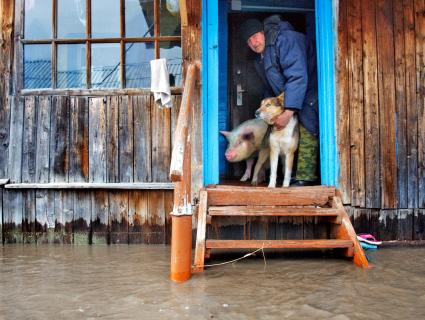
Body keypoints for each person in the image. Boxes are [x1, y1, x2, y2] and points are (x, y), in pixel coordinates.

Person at [240, 15, 319, 187]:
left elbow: (297, 76)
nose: (253, 43)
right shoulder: (263, 55)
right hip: (290, 95)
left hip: (308, 92)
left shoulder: (285, 40)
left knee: (308, 128)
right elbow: (271, 87)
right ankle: (291, 176)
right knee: (286, 135)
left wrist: (289, 110)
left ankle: (305, 178)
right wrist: (267, 111)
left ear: (263, 32)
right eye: (248, 41)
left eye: (254, 36)